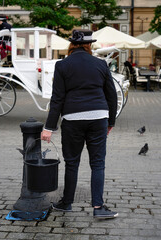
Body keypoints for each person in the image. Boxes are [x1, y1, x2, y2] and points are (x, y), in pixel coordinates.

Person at [41, 29, 118, 219]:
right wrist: (111, 122)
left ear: (72, 45)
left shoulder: (62, 65)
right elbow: (112, 95)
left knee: (72, 163)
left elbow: (57, 99)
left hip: (72, 119)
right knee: (98, 164)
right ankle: (98, 208)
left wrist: (49, 127)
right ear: (89, 45)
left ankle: (67, 203)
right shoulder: (101, 64)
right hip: (98, 117)